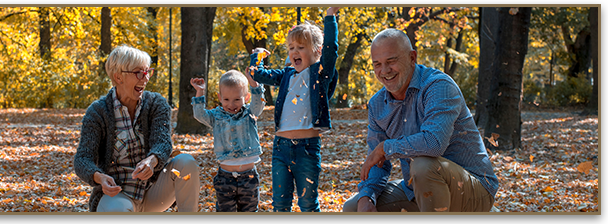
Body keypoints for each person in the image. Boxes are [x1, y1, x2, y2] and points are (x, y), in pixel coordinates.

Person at [342, 28, 500, 212]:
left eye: (391, 61)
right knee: (353, 207)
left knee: (423, 165)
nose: (384, 71)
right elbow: (376, 162)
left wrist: (386, 147)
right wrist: (367, 195)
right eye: (377, 64)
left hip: (474, 191)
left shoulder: (439, 87)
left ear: (412, 57)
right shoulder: (377, 104)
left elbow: (434, 143)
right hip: (418, 191)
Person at [73, 45, 200, 212]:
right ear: (118, 77)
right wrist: (99, 178)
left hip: (154, 190)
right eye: (139, 73)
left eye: (147, 72)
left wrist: (152, 160)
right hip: (118, 194)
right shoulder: (98, 112)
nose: (145, 78)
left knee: (187, 163)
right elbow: (82, 159)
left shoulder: (156, 103)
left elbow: (163, 143)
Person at [248, 7, 340, 212]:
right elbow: (258, 74)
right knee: (280, 204)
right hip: (280, 148)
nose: (294, 52)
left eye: (301, 47)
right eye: (291, 48)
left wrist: (330, 17)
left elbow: (331, 50)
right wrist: (257, 56)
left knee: (307, 203)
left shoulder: (320, 74)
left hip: (307, 148)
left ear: (317, 50)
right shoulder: (286, 75)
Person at [189, 70, 265, 212]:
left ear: (246, 97)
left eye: (237, 99)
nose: (231, 104)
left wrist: (253, 83)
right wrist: (200, 92)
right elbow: (199, 114)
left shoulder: (250, 113)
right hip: (225, 177)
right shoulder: (216, 116)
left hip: (248, 177)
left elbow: (259, 103)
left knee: (249, 210)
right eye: (226, 100)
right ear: (220, 97)